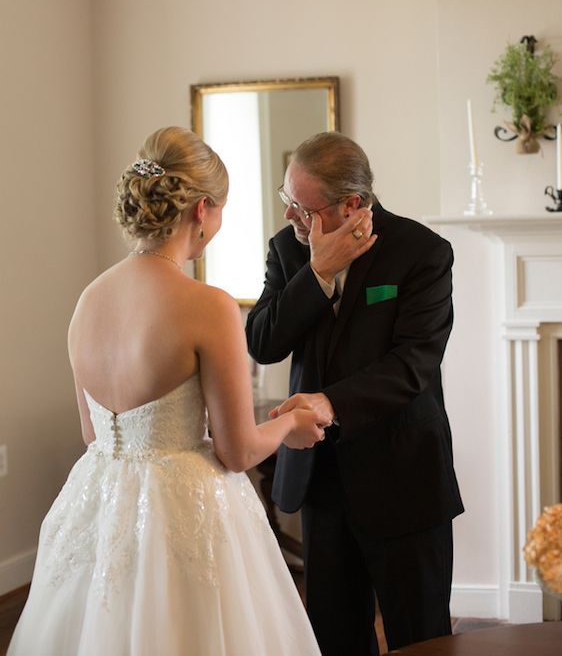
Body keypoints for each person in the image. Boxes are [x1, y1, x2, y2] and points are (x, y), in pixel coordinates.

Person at [8, 127, 327, 656]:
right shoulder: (209, 306)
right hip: (184, 509)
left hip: (98, 502)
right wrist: (292, 421)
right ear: (201, 209)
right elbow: (238, 451)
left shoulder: (88, 299)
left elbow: (93, 433)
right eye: (222, 209)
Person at [246, 131, 464, 656]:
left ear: (351, 204)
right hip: (321, 481)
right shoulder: (288, 250)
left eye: (302, 207)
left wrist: (331, 401)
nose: (292, 216)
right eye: (287, 200)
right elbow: (263, 340)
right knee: (334, 634)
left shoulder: (422, 253)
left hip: (405, 477)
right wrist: (318, 272)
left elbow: (414, 363)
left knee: (422, 636)